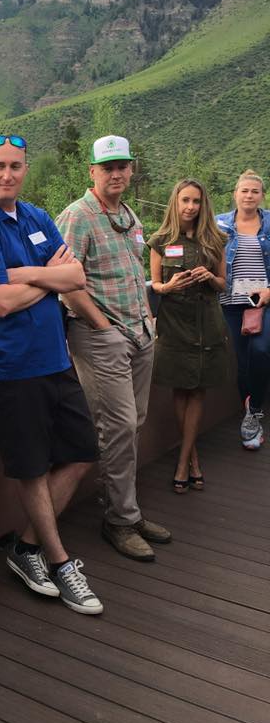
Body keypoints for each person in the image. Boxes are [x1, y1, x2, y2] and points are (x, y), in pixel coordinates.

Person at [0, 134, 103, 616]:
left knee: (82, 452)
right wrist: (46, 274)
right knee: (32, 468)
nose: (7, 174)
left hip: (56, 359)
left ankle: (25, 546)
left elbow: (76, 276)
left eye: (15, 166)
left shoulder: (37, 217)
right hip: (12, 368)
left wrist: (23, 273)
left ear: (25, 169)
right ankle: (59, 561)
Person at [56, 135, 171, 562]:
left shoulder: (127, 214)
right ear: (92, 171)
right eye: (108, 167)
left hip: (139, 332)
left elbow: (133, 272)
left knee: (132, 423)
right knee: (119, 425)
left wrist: (147, 321)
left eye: (122, 166)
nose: (116, 173)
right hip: (101, 336)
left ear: (131, 168)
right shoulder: (77, 216)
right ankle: (120, 520)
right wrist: (104, 328)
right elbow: (66, 284)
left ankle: (126, 509)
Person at [147, 179, 229, 491]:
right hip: (174, 324)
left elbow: (223, 284)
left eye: (196, 201)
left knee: (197, 391)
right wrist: (168, 287)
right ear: (176, 202)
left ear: (203, 204)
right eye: (185, 200)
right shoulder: (161, 240)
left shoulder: (215, 240)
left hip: (207, 323)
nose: (191, 207)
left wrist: (210, 277)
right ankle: (192, 458)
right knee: (180, 390)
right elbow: (155, 284)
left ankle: (184, 463)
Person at [216, 170, 270, 450]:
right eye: (244, 191)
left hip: (264, 302)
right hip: (231, 303)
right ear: (235, 194)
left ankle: (255, 409)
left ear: (262, 196)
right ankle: (251, 416)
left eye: (254, 191)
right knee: (243, 361)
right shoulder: (219, 224)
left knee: (260, 351)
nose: (249, 196)